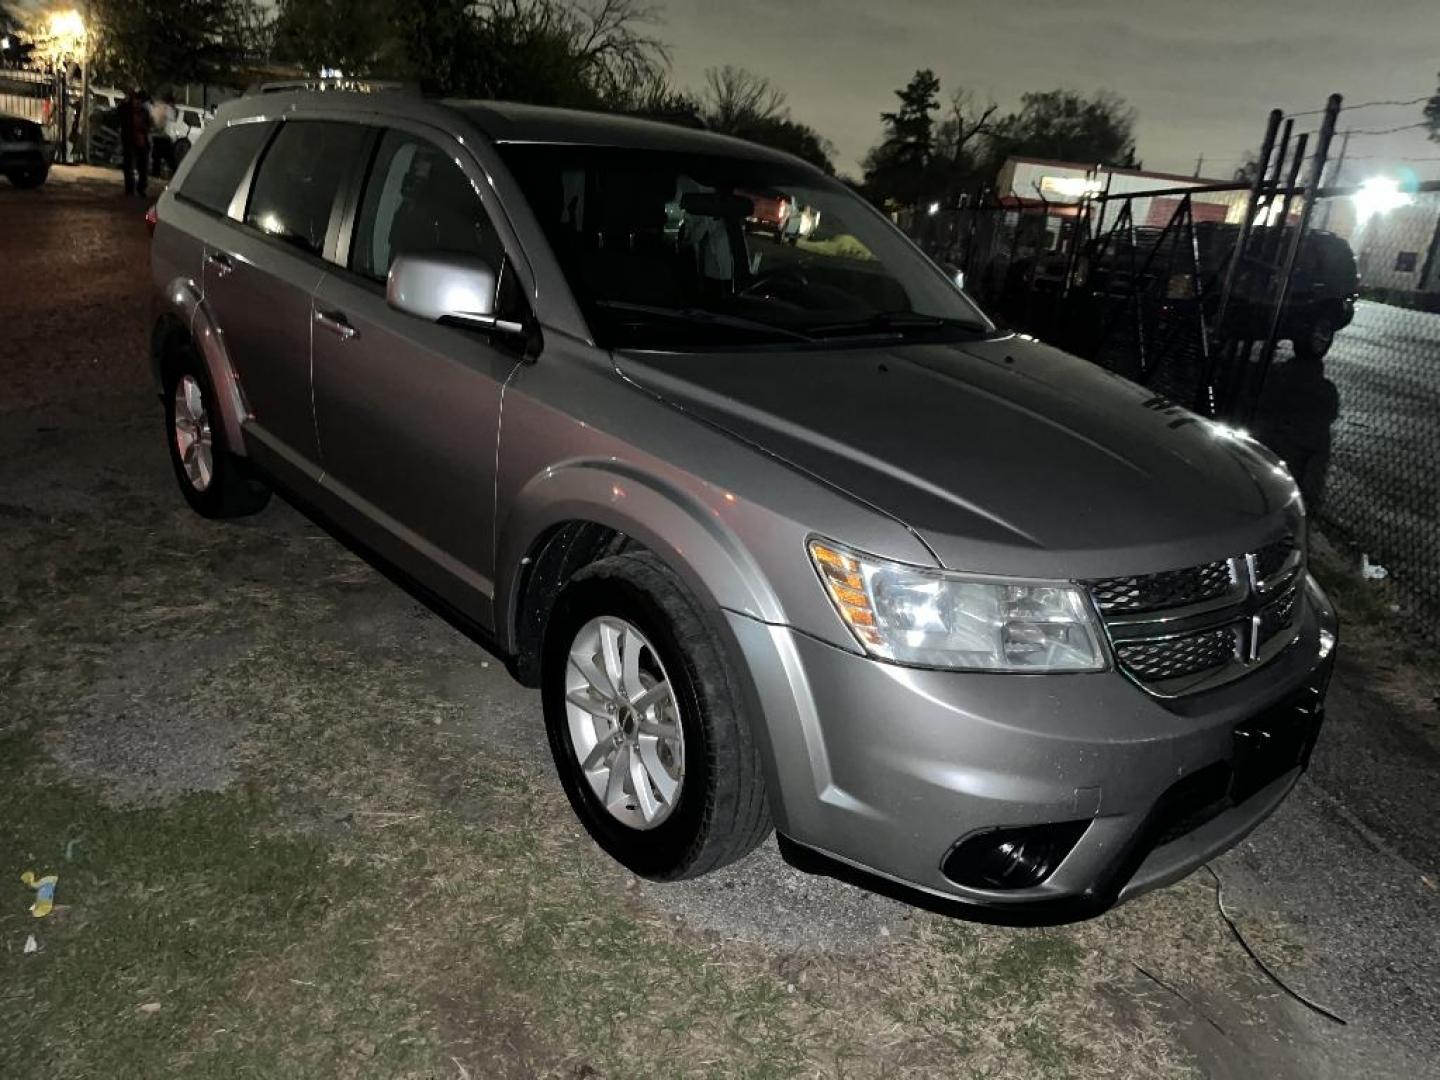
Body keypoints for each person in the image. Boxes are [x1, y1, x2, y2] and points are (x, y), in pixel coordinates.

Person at [116, 89, 150, 196]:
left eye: (140, 101)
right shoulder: (126, 109)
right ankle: (130, 189)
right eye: (136, 100)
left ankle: (141, 188)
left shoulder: (144, 111)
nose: (138, 103)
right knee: (128, 165)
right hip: (129, 139)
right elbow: (119, 113)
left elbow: (148, 125)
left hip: (140, 140)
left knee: (142, 166)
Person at [150, 93, 176, 178]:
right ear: (171, 102)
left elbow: (153, 120)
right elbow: (171, 120)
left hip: (155, 136)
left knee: (156, 157)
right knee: (170, 158)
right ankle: (176, 174)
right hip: (165, 136)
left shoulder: (156, 107)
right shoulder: (169, 109)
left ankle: (155, 173)